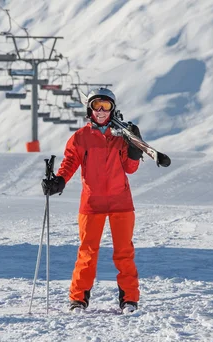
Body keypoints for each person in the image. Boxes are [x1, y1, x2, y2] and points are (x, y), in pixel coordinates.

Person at [41, 87, 144, 314]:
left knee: (124, 252)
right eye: (96, 106)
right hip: (92, 203)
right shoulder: (80, 138)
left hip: (121, 203)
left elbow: (130, 168)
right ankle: (78, 299)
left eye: (105, 106)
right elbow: (69, 163)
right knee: (87, 252)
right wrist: (59, 181)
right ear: (89, 109)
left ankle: (129, 299)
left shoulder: (121, 138)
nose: (100, 111)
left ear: (113, 109)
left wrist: (135, 149)